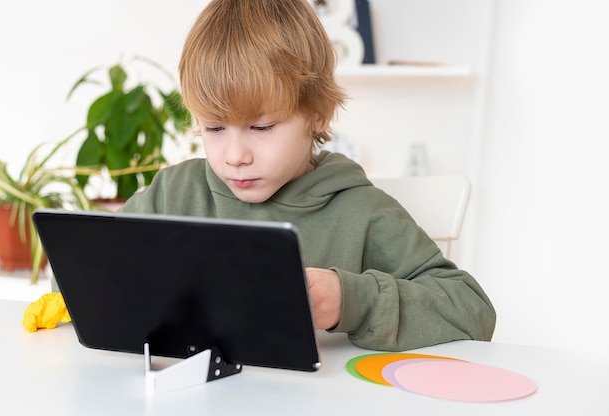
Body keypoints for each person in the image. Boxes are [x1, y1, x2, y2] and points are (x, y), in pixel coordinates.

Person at [25, 0, 496, 352]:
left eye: (262, 127)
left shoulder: (362, 211)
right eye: (213, 128)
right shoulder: (174, 192)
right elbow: (82, 281)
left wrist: (351, 300)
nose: (234, 155)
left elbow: (473, 311)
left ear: (318, 113)